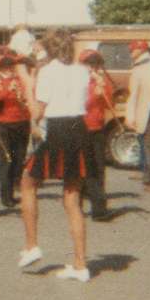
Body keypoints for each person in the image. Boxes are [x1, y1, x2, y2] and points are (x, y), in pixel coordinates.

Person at [18, 31, 91, 281]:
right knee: (72, 198)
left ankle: (31, 245)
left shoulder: (49, 71)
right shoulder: (83, 70)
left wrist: (28, 84)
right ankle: (80, 264)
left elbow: (38, 112)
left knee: (27, 182)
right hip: (80, 129)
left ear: (49, 49)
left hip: (59, 129)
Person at [0, 55, 31, 208]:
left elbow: (26, 97)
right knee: (6, 159)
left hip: (20, 122)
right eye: (6, 68)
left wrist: (23, 98)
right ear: (0, 68)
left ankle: (11, 191)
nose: (9, 70)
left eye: (10, 67)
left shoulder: (18, 80)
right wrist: (6, 90)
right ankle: (6, 196)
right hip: (2, 123)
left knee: (18, 159)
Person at [126, 40, 150, 194]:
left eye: (132, 50)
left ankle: (148, 180)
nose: (131, 53)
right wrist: (130, 116)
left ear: (140, 50)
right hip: (148, 112)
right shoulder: (139, 68)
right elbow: (133, 95)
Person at [79, 50, 112, 220]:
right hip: (82, 127)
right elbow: (78, 104)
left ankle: (99, 209)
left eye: (96, 65)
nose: (93, 68)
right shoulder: (79, 82)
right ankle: (77, 203)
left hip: (98, 127)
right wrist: (93, 95)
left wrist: (104, 87)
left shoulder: (100, 81)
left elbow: (109, 104)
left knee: (99, 167)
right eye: (90, 65)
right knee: (82, 168)